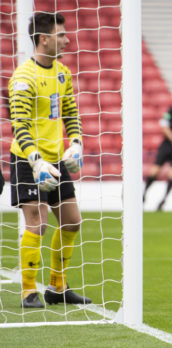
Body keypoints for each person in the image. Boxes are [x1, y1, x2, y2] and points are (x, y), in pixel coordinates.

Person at [9, 12, 91, 308]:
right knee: (37, 223)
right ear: (44, 39)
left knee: (72, 222)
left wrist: (77, 144)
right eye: (61, 35)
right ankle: (29, 290)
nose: (67, 40)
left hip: (56, 159)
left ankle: (57, 287)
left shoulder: (62, 73)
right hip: (28, 161)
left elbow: (70, 112)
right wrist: (36, 161)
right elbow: (19, 125)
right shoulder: (23, 77)